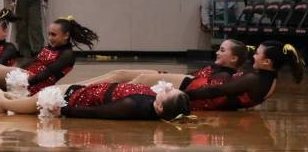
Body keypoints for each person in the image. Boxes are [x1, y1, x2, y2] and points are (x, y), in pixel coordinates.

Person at [70, 39, 247, 111]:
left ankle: (77, 92)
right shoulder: (218, 70)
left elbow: (209, 95)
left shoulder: (224, 76)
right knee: (119, 73)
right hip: (175, 79)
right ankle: (76, 86)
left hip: (174, 86)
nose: (217, 52)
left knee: (132, 81)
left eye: (222, 50)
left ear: (234, 58)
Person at [181, 40, 303, 110]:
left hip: (205, 102)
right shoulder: (272, 79)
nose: (253, 56)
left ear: (266, 62)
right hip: (211, 98)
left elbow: (216, 90)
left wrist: (183, 95)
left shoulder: (253, 79)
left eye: (257, 53)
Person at [0, 80, 192, 121]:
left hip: (70, 98)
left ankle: (2, 99)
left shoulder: (133, 106)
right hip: (84, 91)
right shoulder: (154, 102)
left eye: (168, 92)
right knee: (26, 101)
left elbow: (99, 113)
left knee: (9, 105)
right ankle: (14, 99)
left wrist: (65, 111)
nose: (167, 87)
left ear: (158, 106)